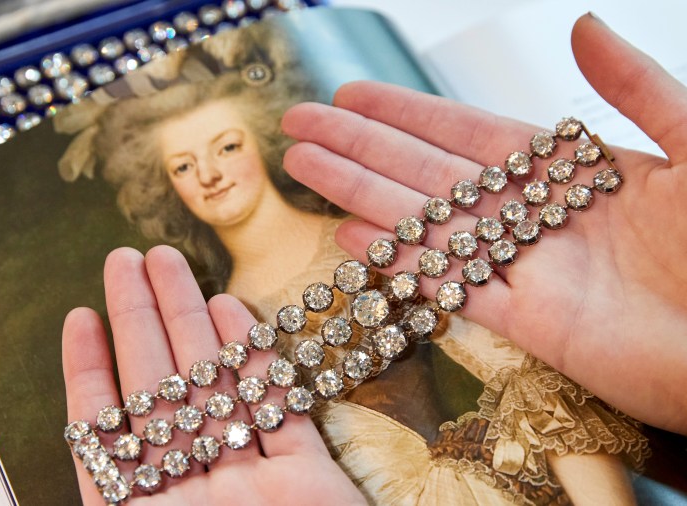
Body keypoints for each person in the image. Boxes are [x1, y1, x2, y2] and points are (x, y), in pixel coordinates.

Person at [63, 13, 686, 505]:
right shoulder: (213, 331)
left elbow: (520, 372)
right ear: (163, 184)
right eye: (183, 165)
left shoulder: (375, 243)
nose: (211, 175)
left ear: (259, 142)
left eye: (227, 146)